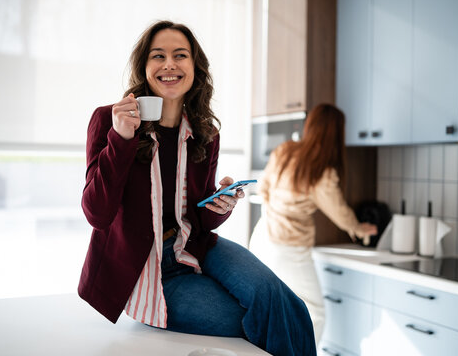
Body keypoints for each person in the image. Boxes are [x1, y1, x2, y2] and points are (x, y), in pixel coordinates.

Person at [78, 20, 316, 356]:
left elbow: (199, 218)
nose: (169, 64)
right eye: (158, 56)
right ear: (145, 67)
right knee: (262, 319)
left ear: (194, 67)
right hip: (147, 269)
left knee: (290, 308)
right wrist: (121, 139)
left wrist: (221, 205)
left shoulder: (206, 132)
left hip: (195, 246)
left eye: (180, 55)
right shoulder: (109, 120)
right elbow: (97, 214)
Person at [249, 103, 377, 345]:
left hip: (261, 237)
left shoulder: (285, 150)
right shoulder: (321, 171)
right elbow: (338, 211)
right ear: (335, 133)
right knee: (314, 313)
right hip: (288, 248)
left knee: (268, 308)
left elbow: (263, 188)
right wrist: (360, 229)